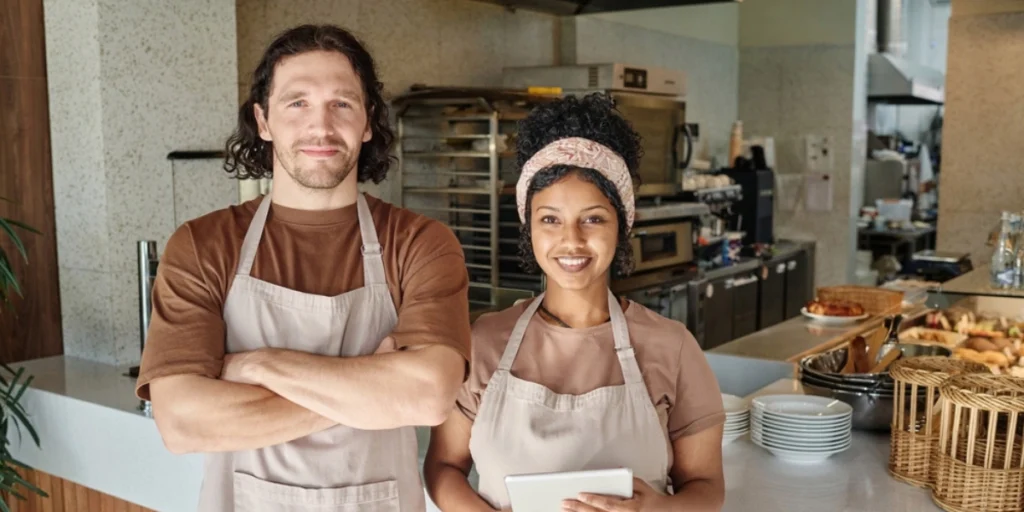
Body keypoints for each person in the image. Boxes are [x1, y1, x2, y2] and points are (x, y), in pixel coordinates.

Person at [135, 24, 470, 512]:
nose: (321, 127)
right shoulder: (203, 245)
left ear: (368, 120)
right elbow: (183, 423)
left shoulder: (420, 243)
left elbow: (429, 395)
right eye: (297, 103)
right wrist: (371, 389)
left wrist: (256, 365)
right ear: (263, 120)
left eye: (342, 103)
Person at [424, 94, 727, 512]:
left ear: (622, 225)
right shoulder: (484, 342)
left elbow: (706, 486)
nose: (572, 240)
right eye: (550, 219)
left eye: (594, 218)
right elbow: (442, 467)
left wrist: (656, 509)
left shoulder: (671, 347)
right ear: (528, 226)